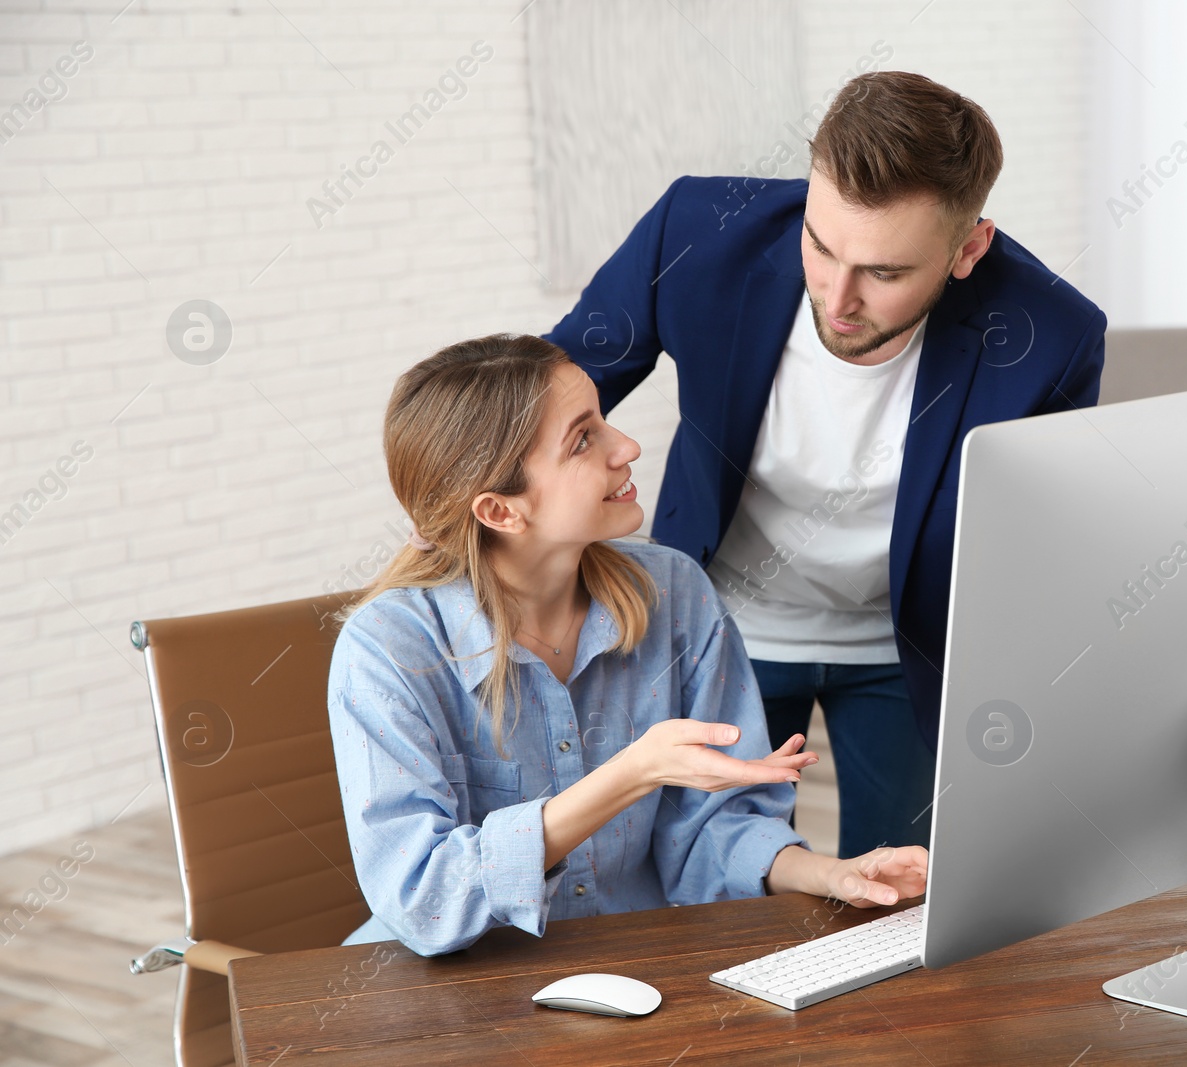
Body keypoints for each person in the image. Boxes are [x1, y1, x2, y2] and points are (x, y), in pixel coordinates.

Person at [544, 70, 1107, 858]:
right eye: (819, 244)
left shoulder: (1052, 337)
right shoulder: (700, 232)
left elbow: (1038, 547)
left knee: (899, 894)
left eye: (884, 273)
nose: (837, 297)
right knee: (698, 874)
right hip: (723, 623)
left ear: (968, 249)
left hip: (905, 643)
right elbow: (545, 393)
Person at [327, 333, 927, 956]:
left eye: (603, 420)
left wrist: (831, 874)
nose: (629, 448)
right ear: (501, 512)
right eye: (583, 439)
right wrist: (632, 773)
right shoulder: (387, 652)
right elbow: (422, 897)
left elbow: (713, 828)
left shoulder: (675, 593)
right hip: (453, 998)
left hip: (635, 972)